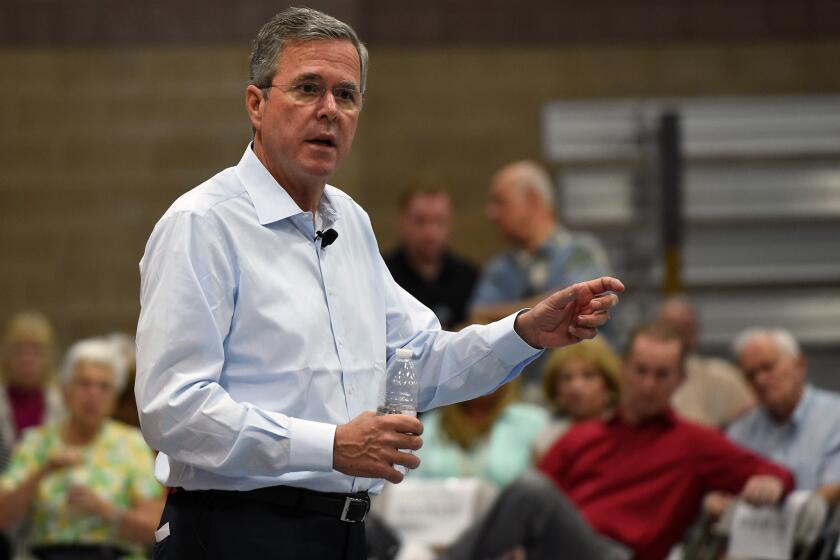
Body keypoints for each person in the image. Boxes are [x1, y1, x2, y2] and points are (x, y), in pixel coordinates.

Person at [134, 7, 623, 560]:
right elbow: (172, 411)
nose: (329, 110)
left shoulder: (350, 222)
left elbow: (419, 362)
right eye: (308, 88)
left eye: (346, 95)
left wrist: (525, 333)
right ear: (256, 104)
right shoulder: (203, 224)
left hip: (344, 534)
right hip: (236, 531)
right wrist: (332, 445)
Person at [447, 323, 795, 560]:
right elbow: (537, 513)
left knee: (529, 490)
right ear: (623, 369)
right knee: (530, 494)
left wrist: (772, 481)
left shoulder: (695, 443)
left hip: (621, 556)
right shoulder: (581, 437)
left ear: (680, 381)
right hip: (562, 549)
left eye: (661, 375)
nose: (648, 384)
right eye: (641, 371)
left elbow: (774, 473)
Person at [0, 338, 163, 559]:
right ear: (65, 391)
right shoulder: (36, 442)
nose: (93, 394)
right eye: (84, 383)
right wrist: (42, 471)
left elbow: (156, 529)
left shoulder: (131, 443)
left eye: (104, 386)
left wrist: (106, 512)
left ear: (114, 397)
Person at [704, 328, 840, 517]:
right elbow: (720, 491)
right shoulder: (740, 431)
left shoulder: (835, 418)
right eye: (751, 375)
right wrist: (715, 501)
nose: (760, 380)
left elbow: (834, 489)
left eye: (767, 368)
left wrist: (786, 508)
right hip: (752, 542)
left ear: (799, 365)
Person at [468, 160, 611, 326]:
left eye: (501, 202)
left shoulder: (581, 252)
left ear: (532, 198)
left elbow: (577, 305)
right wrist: (553, 301)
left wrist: (502, 317)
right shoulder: (500, 267)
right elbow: (477, 318)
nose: (491, 213)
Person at [412, 380, 548, 488]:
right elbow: (409, 486)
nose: (483, 376)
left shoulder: (534, 423)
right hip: (437, 517)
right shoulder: (431, 424)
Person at [384, 188, 478, 329]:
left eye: (439, 222)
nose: (431, 233)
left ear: (450, 224)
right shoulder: (382, 274)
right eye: (420, 222)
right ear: (401, 223)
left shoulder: (469, 277)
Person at [658, 295, 755, 428]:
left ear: (695, 331)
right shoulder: (640, 376)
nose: (679, 336)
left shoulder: (723, 377)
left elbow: (752, 415)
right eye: (672, 327)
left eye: (685, 327)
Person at [532, 337, 621, 459]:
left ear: (608, 383)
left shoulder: (623, 432)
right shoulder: (546, 440)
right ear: (555, 388)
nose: (576, 386)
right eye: (567, 377)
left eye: (588, 375)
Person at [0, 312, 65, 471]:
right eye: (19, 350)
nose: (27, 359)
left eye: (36, 350)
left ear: (49, 357)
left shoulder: (63, 403)